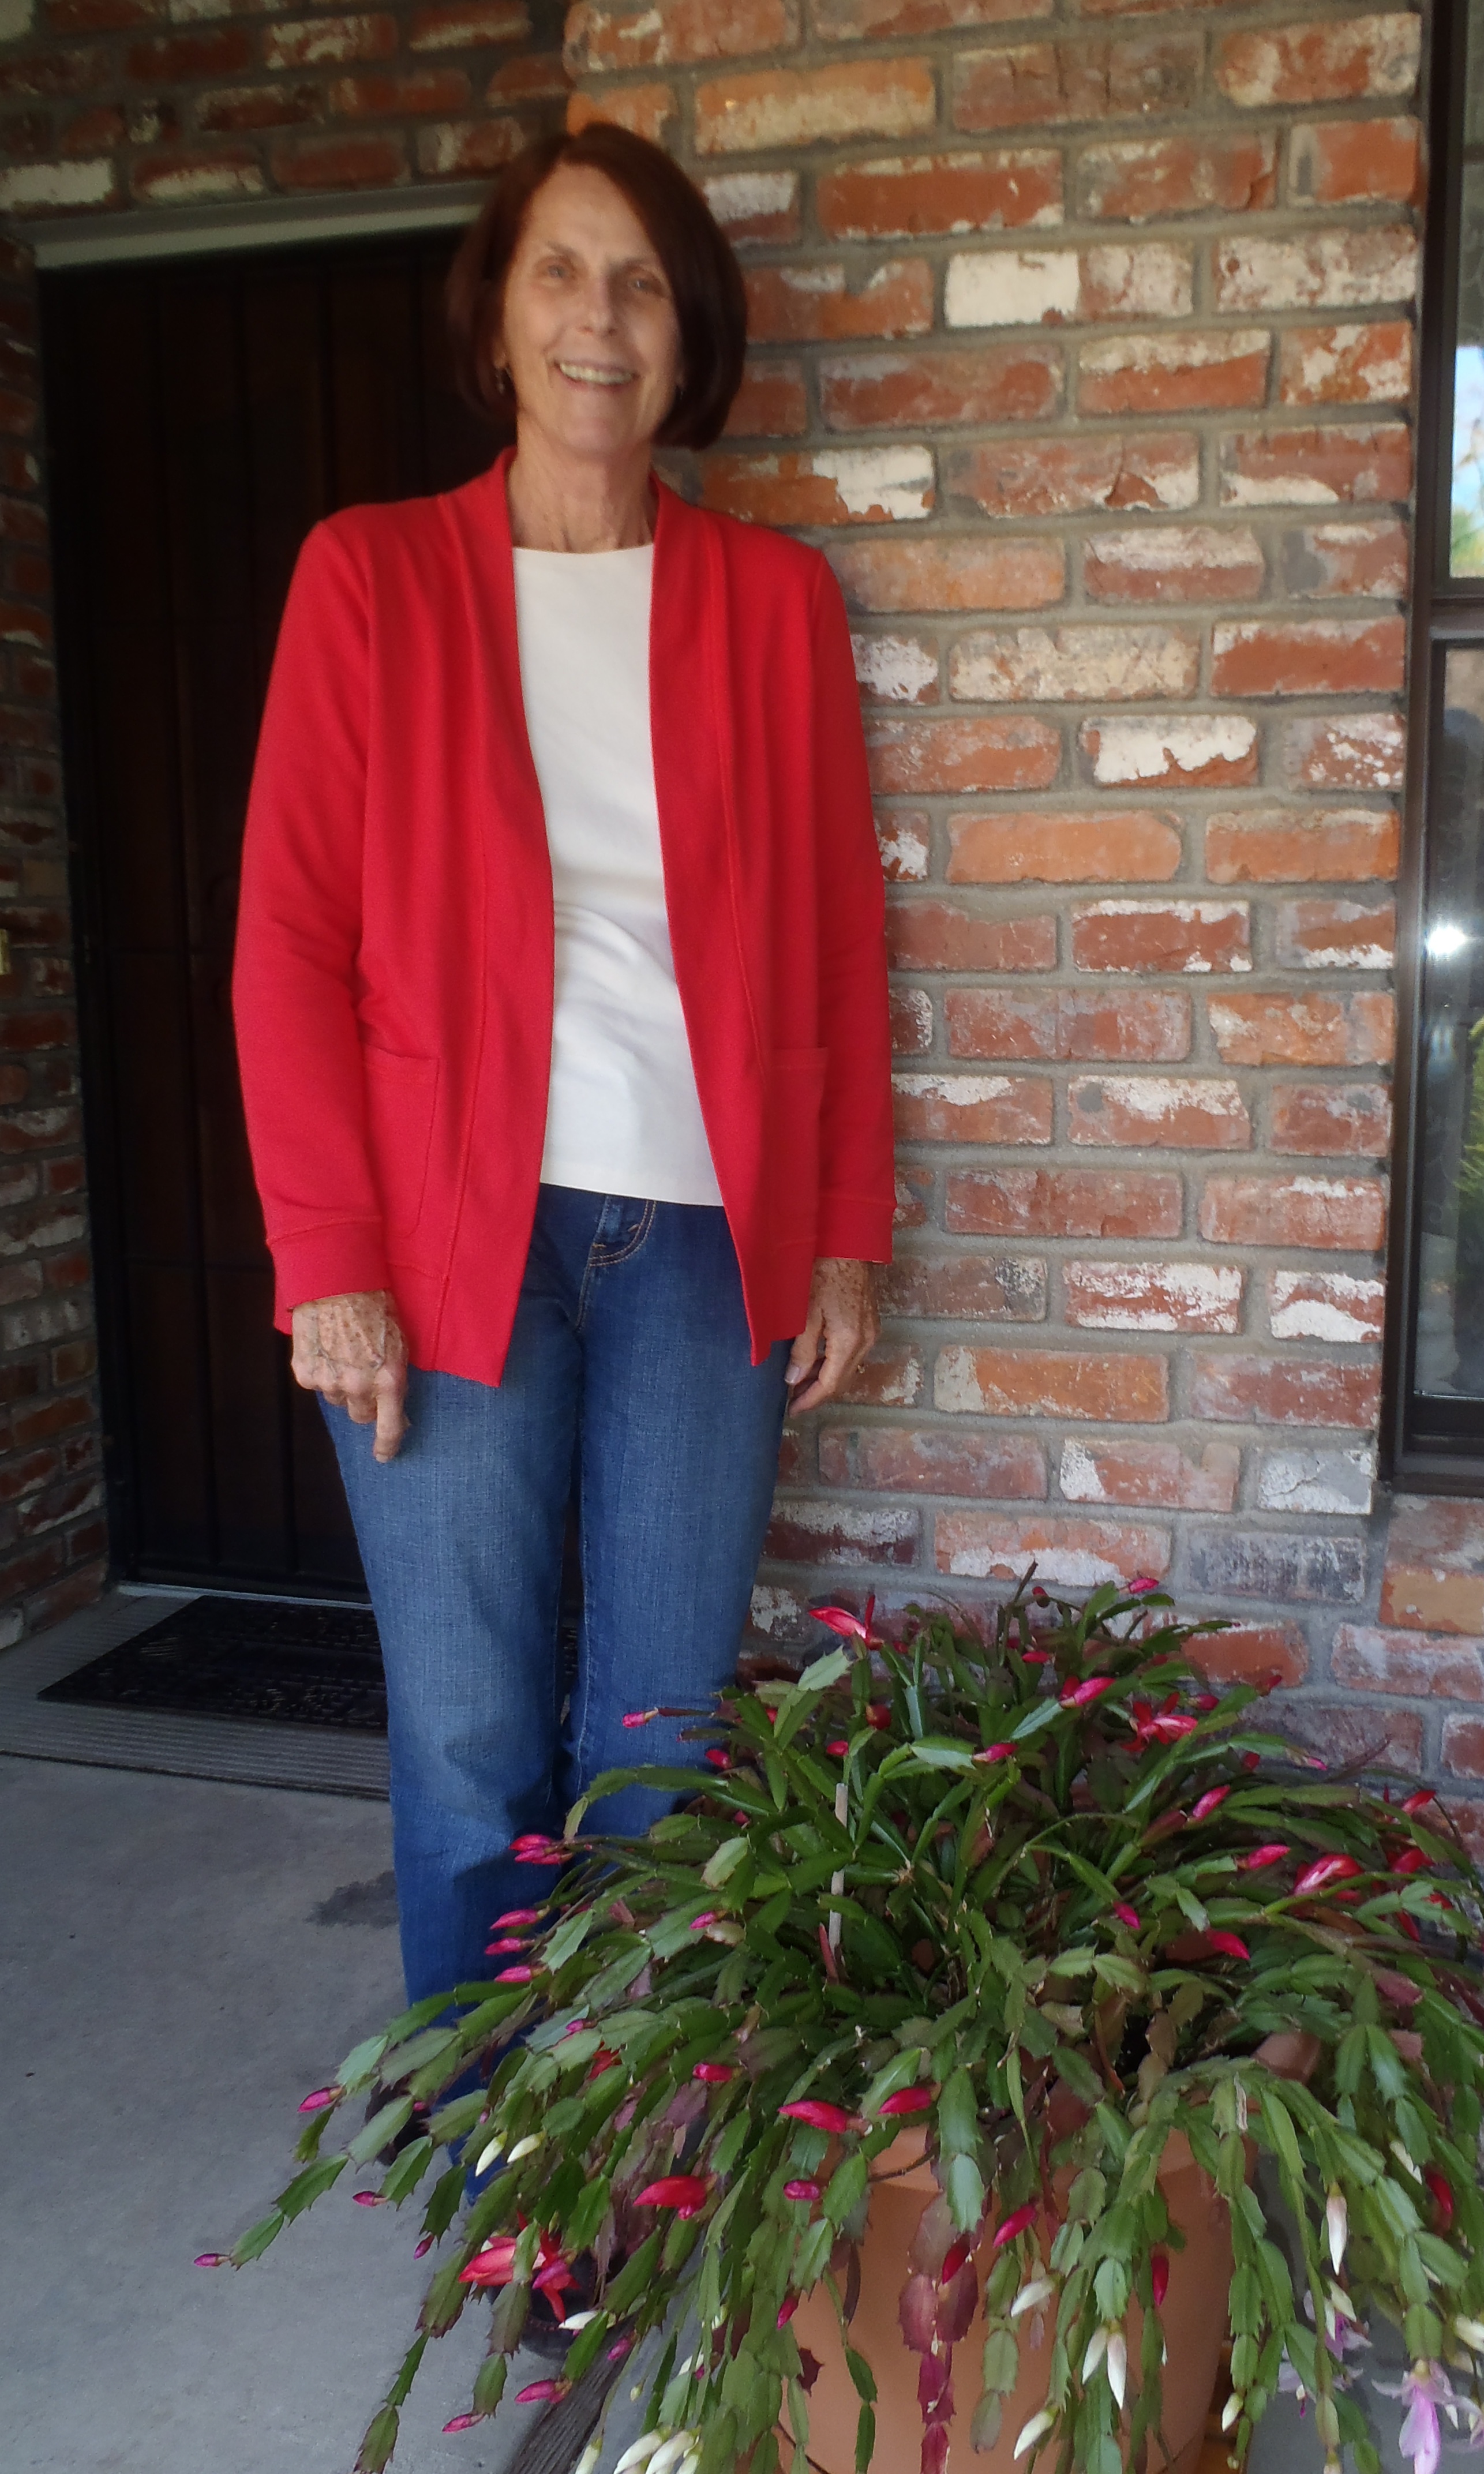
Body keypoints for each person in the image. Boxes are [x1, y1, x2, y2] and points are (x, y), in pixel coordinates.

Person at [232, 126, 895, 2010]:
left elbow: (840, 940)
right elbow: (287, 944)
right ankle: (485, 2138)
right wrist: (327, 1262)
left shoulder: (775, 601)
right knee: (466, 1736)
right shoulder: (370, 578)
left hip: (703, 1244)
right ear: (497, 318)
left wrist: (846, 1230)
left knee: (663, 1743)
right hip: (447, 1245)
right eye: (560, 272)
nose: (599, 318)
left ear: (690, 338)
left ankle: (625, 2136)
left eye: (643, 283)